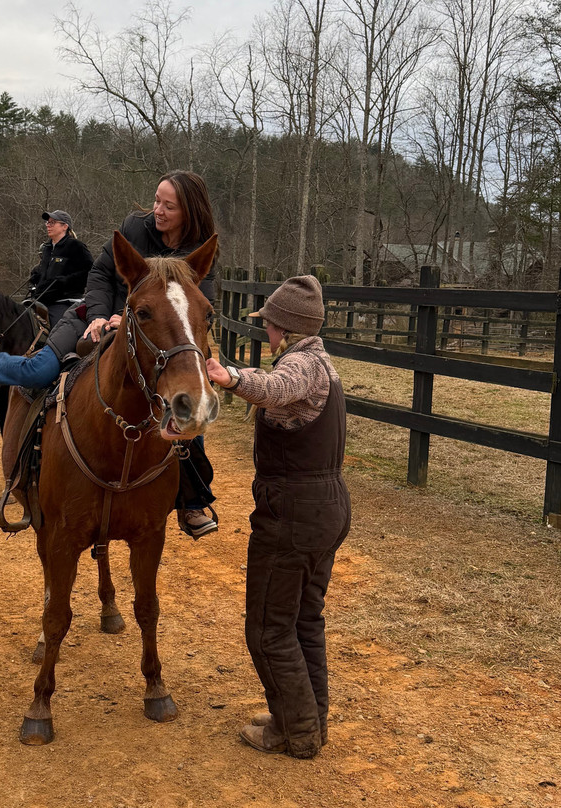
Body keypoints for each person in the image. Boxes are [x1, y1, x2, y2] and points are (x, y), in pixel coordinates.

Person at [0, 170, 221, 537]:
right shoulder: (134, 227)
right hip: (95, 315)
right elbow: (99, 275)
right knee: (40, 371)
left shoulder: (201, 252)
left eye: (168, 206)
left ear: (189, 212)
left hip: (150, 335)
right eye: (156, 200)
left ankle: (191, 502)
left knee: (191, 405)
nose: (157, 210)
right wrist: (98, 315)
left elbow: (197, 306)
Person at [205, 274, 350, 759]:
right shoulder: (323, 364)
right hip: (323, 508)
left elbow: (276, 386)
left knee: (267, 628)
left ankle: (295, 732)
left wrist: (231, 378)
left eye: (268, 323)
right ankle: (308, 720)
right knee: (303, 621)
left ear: (284, 328)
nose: (265, 330)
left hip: (293, 513)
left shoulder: (300, 365)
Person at [29, 210, 93, 327]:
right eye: (47, 223)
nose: (48, 225)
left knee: (58, 331)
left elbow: (90, 272)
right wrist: (36, 277)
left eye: (52, 222)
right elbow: (46, 273)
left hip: (66, 302)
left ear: (65, 226)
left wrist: (65, 281)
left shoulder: (76, 246)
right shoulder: (47, 248)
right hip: (42, 301)